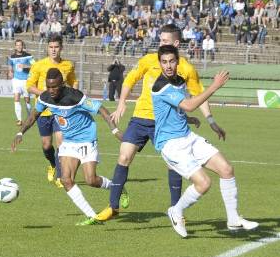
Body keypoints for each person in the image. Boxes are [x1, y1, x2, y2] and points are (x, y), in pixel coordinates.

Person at [96, 24, 226, 221]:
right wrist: (121, 103)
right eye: (160, 40)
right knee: (124, 157)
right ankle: (113, 207)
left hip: (165, 124)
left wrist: (211, 120)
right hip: (140, 118)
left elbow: (198, 95)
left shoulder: (186, 69)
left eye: (165, 41)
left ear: (175, 43)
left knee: (172, 165)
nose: (160, 44)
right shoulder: (149, 60)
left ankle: (176, 210)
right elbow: (130, 80)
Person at [152, 45, 259, 238]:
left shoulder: (179, 81)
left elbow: (179, 108)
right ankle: (176, 211)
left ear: (178, 61)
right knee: (204, 183)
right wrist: (215, 86)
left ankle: (233, 219)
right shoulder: (161, 86)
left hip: (188, 137)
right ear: (159, 63)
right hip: (171, 145)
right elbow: (190, 105)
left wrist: (206, 121)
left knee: (226, 169)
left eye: (171, 61)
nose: (168, 66)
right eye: (164, 62)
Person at [12, 68, 124, 225]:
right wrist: (20, 133)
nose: (51, 90)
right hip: (69, 142)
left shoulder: (75, 96)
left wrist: (115, 130)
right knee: (66, 180)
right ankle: (92, 216)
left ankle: (117, 188)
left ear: (62, 84)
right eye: (48, 86)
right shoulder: (44, 98)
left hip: (86, 139)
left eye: (55, 87)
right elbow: (33, 116)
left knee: (91, 180)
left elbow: (101, 109)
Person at [26, 34, 76, 188]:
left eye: (56, 47)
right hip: (43, 112)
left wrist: (73, 98)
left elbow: (74, 81)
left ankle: (61, 177)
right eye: (51, 47)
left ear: (61, 48)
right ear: (47, 48)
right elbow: (29, 86)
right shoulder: (39, 65)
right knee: (47, 145)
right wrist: (45, 95)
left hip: (60, 112)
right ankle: (53, 164)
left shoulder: (68, 65)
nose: (53, 50)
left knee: (61, 142)